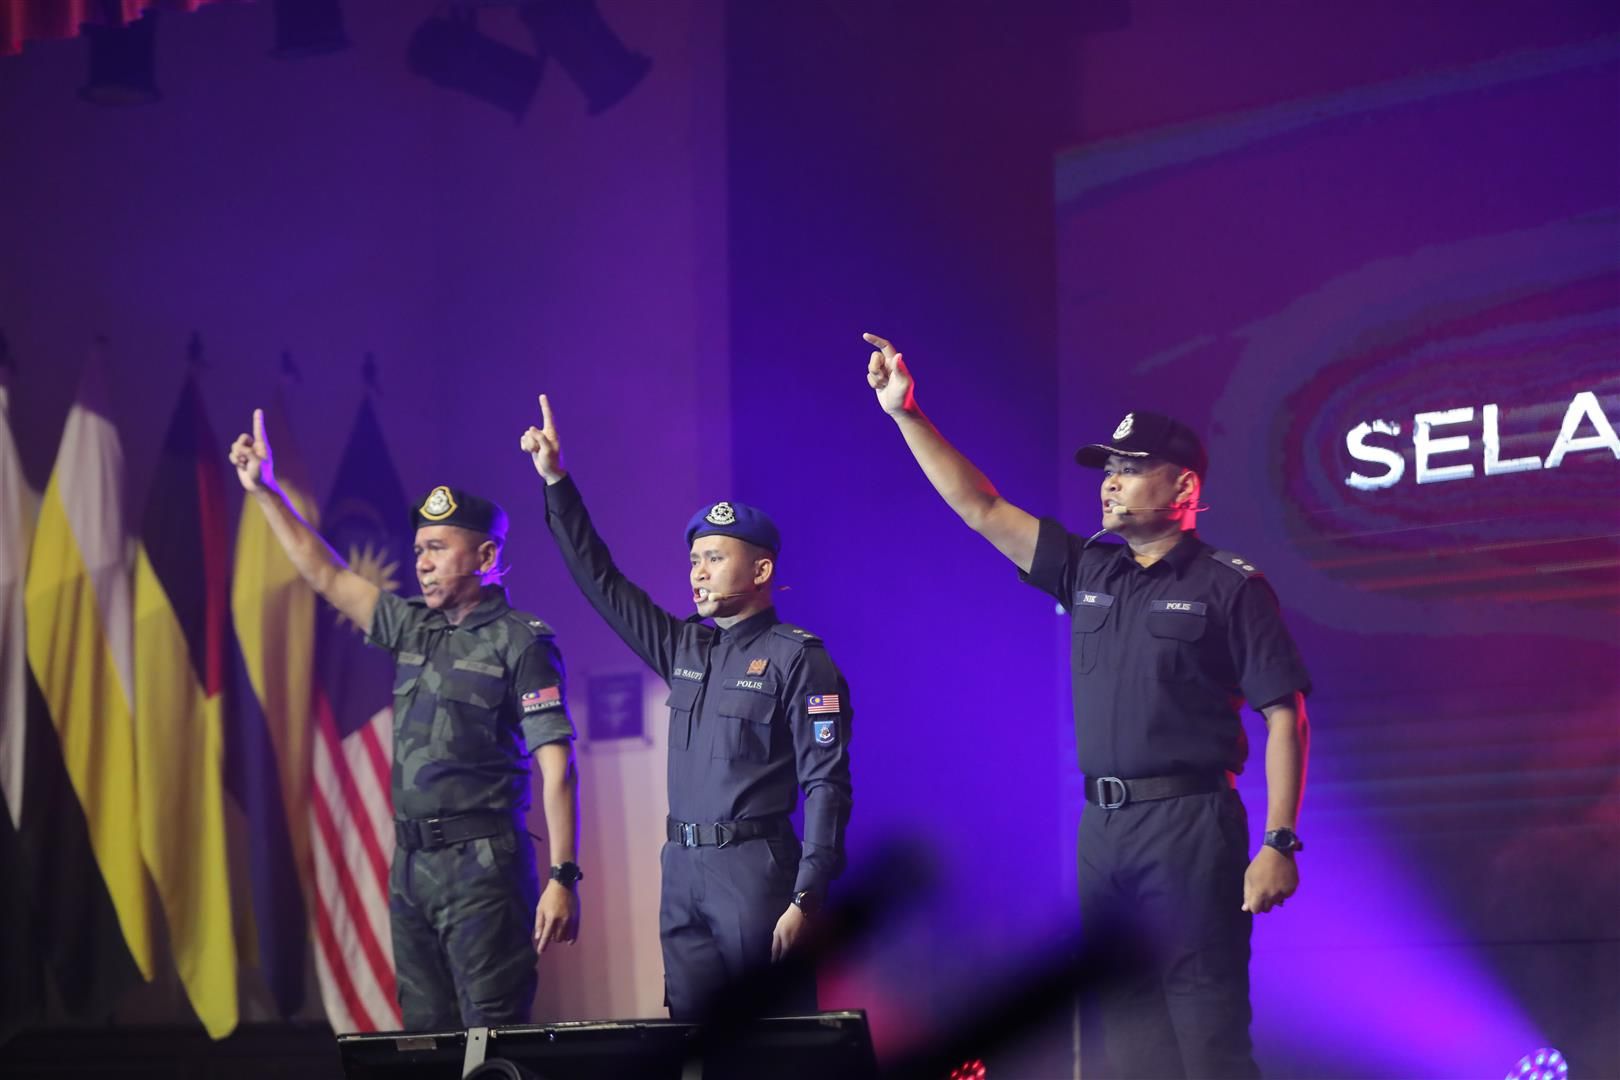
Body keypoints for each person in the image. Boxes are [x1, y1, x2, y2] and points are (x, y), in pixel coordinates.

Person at [863, 334, 1310, 1079]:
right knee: (1128, 1036)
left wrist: (1279, 842)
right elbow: (980, 508)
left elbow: (1284, 713)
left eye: (1130, 469)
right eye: (1108, 469)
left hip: (1191, 823)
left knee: (1208, 1034)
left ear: (1183, 487)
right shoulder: (1088, 568)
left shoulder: (1229, 586)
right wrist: (906, 413)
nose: (1110, 483)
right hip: (1102, 830)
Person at [229, 409, 582, 1030]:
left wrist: (563, 876)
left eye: (437, 549)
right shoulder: (410, 625)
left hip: (484, 867)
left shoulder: (521, 640)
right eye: (418, 549)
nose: (421, 562)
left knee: (492, 1038)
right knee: (423, 1038)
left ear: (486, 555)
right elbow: (326, 574)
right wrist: (266, 492)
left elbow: (559, 767)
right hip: (412, 869)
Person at [519, 394, 853, 1021]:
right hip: (681, 870)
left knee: (770, 1041)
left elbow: (827, 785)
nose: (698, 572)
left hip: (755, 871)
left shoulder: (797, 657)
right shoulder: (684, 646)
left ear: (761, 569)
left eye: (715, 558)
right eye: (694, 560)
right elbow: (602, 582)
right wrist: (556, 481)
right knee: (692, 1045)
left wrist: (808, 896)